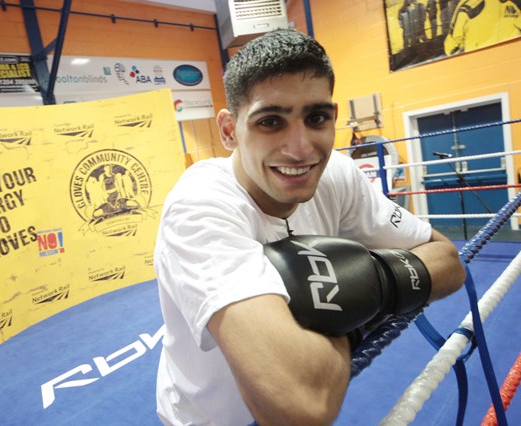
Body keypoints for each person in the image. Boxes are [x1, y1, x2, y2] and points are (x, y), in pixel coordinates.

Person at [154, 29, 465, 425]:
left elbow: (449, 261)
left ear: (332, 117)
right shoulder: (199, 208)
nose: (300, 149)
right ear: (230, 130)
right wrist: (344, 312)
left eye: (315, 118)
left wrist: (376, 285)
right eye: (270, 121)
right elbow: (301, 404)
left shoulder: (337, 174)